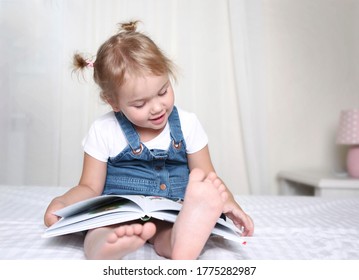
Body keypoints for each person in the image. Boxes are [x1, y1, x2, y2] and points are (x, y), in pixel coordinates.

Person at [44, 20, 254, 260]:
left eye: (163, 91)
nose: (157, 108)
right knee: (97, 230)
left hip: (174, 209)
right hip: (119, 212)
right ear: (113, 102)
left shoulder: (187, 124)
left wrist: (228, 202)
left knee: (173, 229)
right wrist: (63, 203)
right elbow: (90, 187)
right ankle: (106, 247)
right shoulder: (104, 130)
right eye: (140, 104)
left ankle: (181, 242)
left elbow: (207, 177)